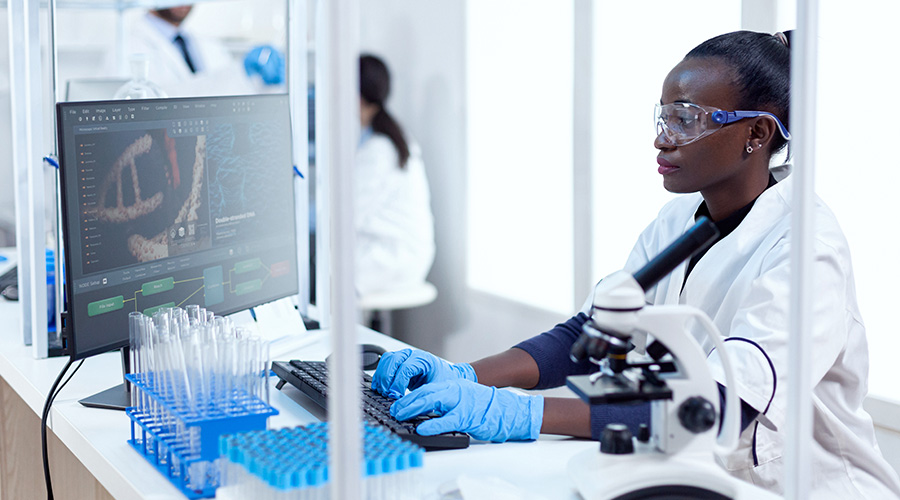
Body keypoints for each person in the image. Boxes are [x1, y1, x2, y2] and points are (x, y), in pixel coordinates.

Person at [370, 31, 900, 498]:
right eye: (663, 115)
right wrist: (463, 374)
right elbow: (590, 334)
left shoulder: (806, 248)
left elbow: (719, 409)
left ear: (756, 135)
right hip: (694, 474)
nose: (662, 136)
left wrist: (519, 415)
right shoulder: (676, 222)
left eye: (686, 118)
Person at [354, 55, 435, 296]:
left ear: (357, 97)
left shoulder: (379, 150)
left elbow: (348, 214)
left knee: (321, 272)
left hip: (392, 259)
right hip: (403, 254)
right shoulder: (392, 138)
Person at [115, 5, 283, 97]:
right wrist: (239, 71)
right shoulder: (126, 47)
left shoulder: (204, 43)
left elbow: (229, 98)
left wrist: (259, 82)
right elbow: (164, 104)